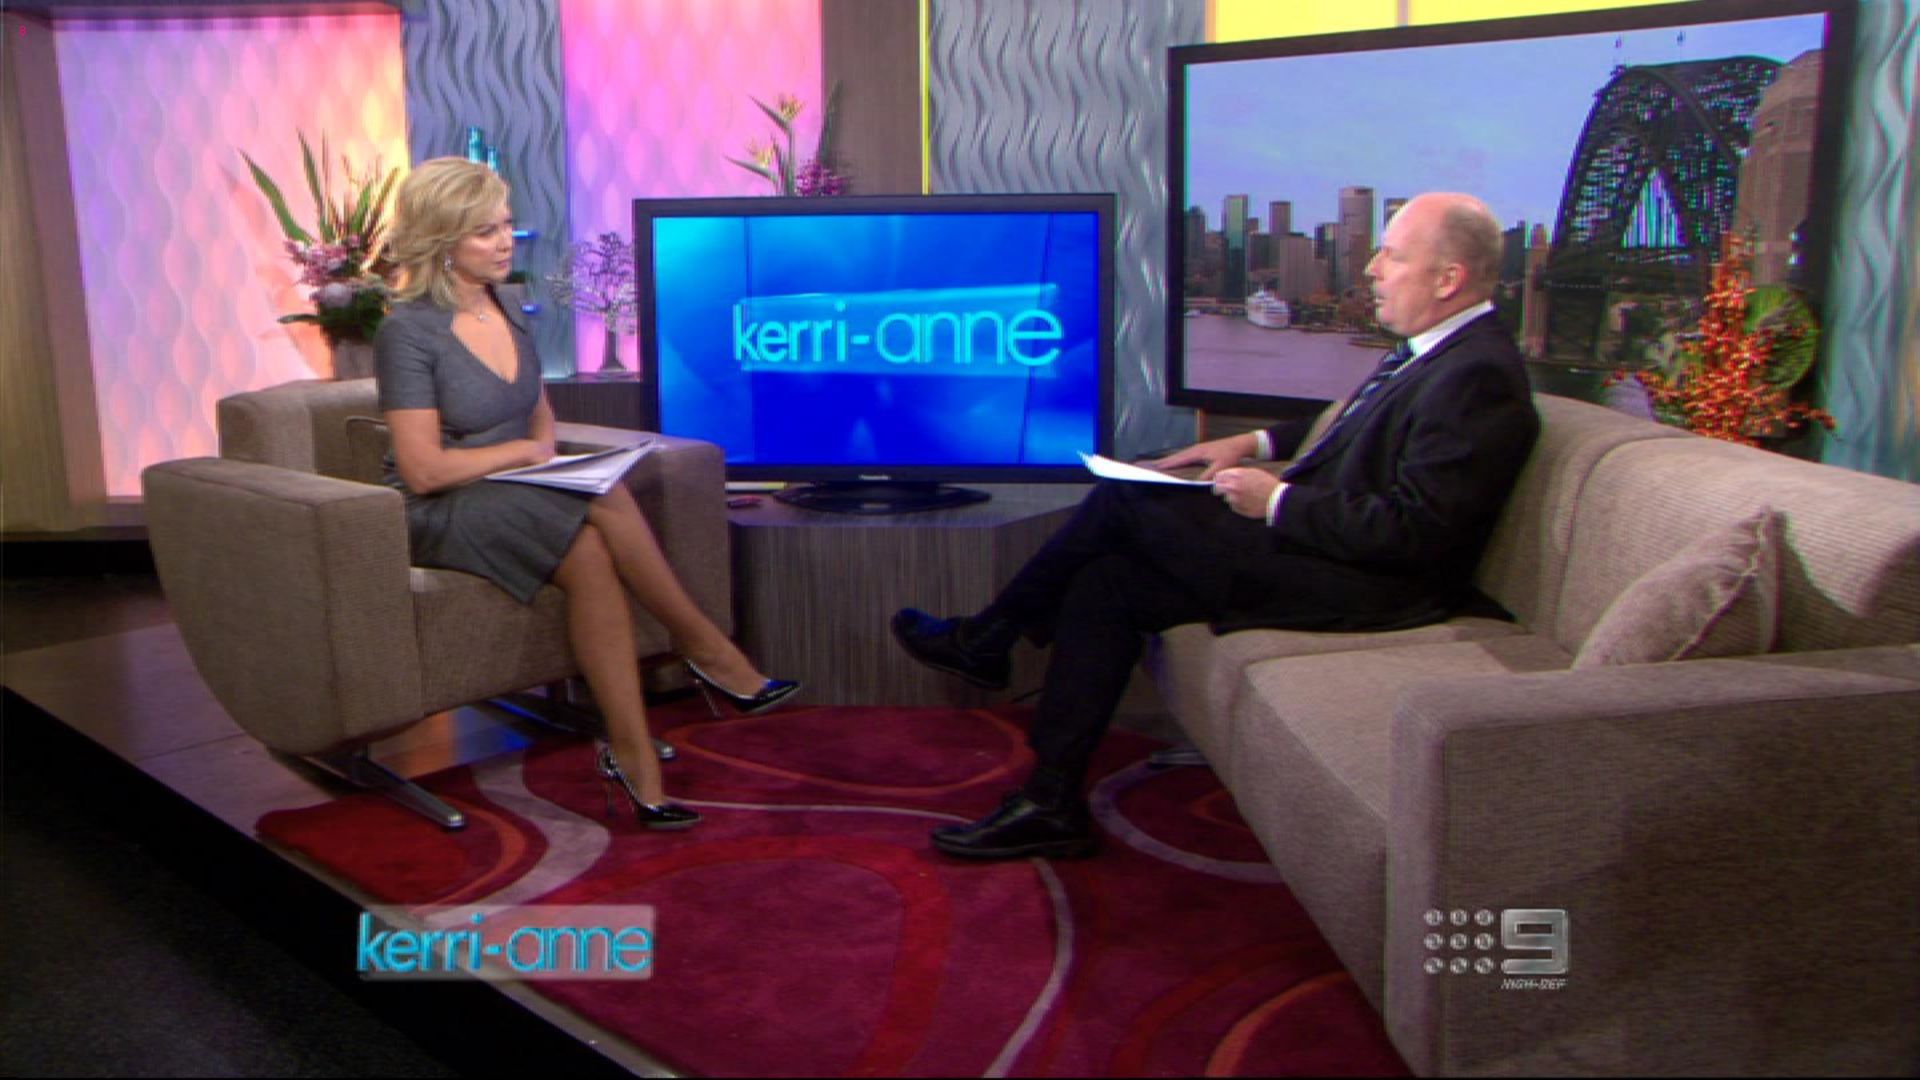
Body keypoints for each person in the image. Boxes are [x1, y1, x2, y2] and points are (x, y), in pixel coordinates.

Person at [892, 192, 1539, 860]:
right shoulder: (1435, 349)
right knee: (1108, 580)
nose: (1372, 268)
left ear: (1448, 279)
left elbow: (1418, 532)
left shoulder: (1477, 375)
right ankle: (1049, 800)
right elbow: (1348, 425)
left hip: (1377, 584)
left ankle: (988, 637)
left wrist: (1277, 501)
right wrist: (1250, 442)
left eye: (1393, 256)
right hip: (1337, 551)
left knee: (1129, 500)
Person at [375, 157, 797, 830]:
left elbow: (537, 414)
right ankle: (708, 652)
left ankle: (634, 757)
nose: (505, 241)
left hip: (510, 488)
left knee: (594, 549)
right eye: (485, 231)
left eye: (506, 224)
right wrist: (525, 456)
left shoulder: (505, 306)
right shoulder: (407, 331)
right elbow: (423, 470)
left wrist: (538, 453)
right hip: (437, 507)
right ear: (441, 240)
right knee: (606, 499)